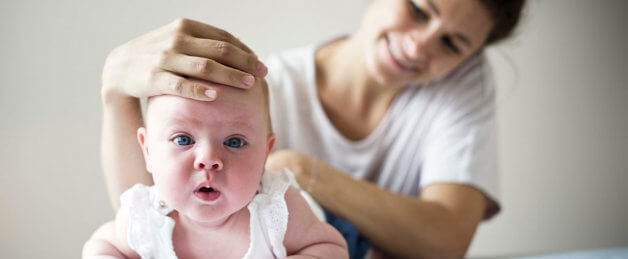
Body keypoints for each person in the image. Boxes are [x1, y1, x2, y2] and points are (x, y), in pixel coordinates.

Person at [98, 0, 526, 257]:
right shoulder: (251, 90)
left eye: (452, 43)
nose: (418, 46)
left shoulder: (460, 85)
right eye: (417, 8)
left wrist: (296, 170)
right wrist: (116, 93)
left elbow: (445, 242)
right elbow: (145, 221)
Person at [84, 82, 347, 258]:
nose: (208, 159)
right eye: (183, 140)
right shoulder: (144, 218)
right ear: (148, 151)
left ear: (265, 153)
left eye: (234, 142)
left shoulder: (277, 211)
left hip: (324, 217)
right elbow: (101, 247)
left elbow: (331, 248)